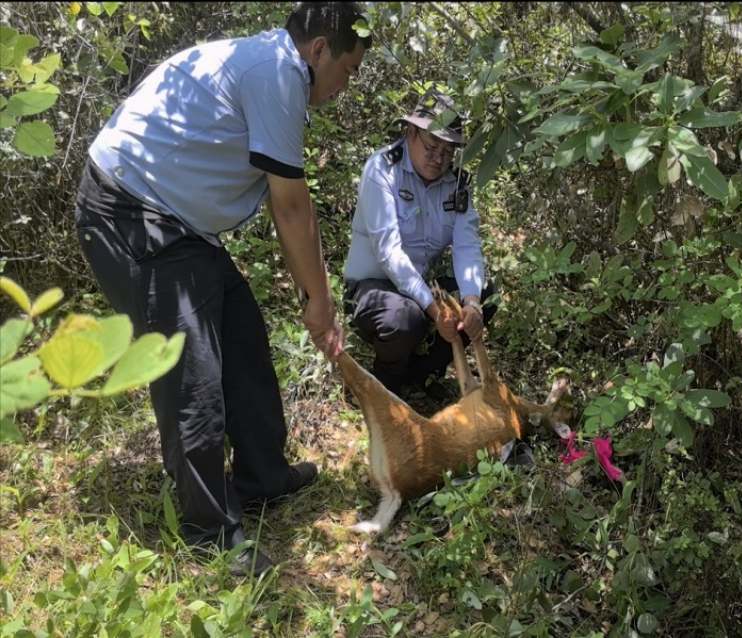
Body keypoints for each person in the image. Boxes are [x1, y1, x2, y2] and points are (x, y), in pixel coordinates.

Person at [73, 2, 369, 577]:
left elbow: (286, 206)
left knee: (243, 338)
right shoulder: (276, 73)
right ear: (319, 51)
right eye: (348, 71)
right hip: (129, 212)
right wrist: (321, 303)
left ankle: (264, 478)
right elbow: (290, 206)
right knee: (193, 372)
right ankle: (209, 533)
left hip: (176, 221)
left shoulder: (270, 65)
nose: (345, 87)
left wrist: (313, 295)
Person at [343, 89, 496, 401]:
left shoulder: (456, 186)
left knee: (486, 296)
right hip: (372, 286)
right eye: (432, 146)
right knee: (404, 318)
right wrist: (433, 307)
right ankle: (384, 387)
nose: (439, 158)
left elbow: (467, 246)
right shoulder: (382, 169)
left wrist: (472, 302)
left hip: (420, 288)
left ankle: (421, 374)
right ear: (411, 132)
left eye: (448, 150)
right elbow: (389, 252)